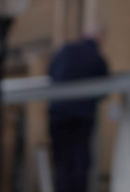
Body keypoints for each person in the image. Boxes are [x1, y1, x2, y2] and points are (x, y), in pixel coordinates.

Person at [47, 25, 110, 192]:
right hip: (82, 117)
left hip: (58, 114)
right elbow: (104, 89)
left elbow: (51, 73)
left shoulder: (64, 51)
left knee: (62, 162)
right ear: (100, 39)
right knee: (79, 161)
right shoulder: (96, 57)